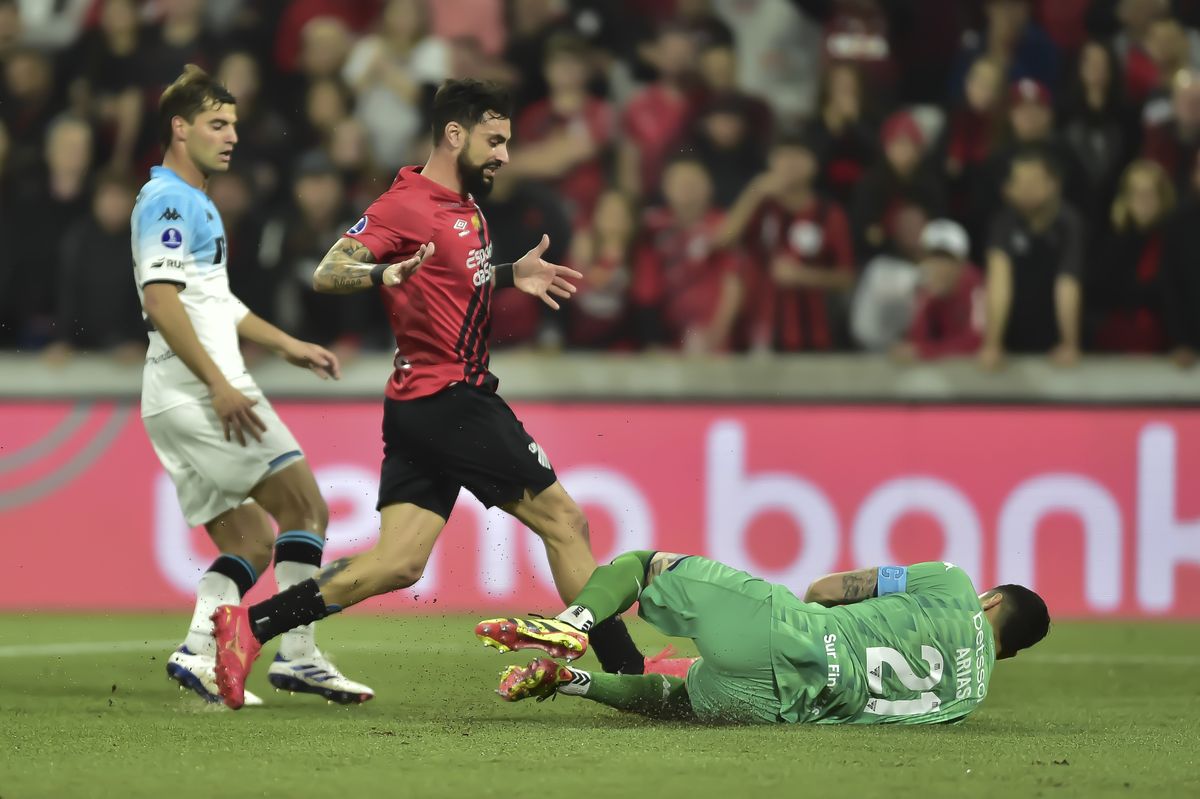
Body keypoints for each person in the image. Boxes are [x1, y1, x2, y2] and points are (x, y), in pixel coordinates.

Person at [212, 79, 679, 710]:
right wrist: (382, 271)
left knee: (397, 563)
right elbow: (329, 270)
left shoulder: (467, 206)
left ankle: (248, 628)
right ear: (454, 134)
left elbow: (458, 278)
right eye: (495, 140)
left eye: (508, 142)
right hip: (452, 400)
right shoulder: (406, 203)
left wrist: (514, 273)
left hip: (417, 409)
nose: (505, 155)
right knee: (565, 522)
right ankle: (631, 673)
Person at [132, 65, 371, 706]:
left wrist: (285, 344)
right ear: (179, 129)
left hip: (171, 397)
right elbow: (161, 299)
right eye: (217, 123)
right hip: (203, 390)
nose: (232, 135)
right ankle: (299, 656)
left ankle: (197, 650)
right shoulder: (170, 202)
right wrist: (219, 383)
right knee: (307, 510)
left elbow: (214, 301)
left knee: (250, 541)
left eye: (234, 123)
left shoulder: (193, 199)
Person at [476, 551, 1049, 724]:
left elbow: (828, 588)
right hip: (787, 706)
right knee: (684, 703)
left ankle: (569, 627)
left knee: (648, 565)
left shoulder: (954, 584)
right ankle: (571, 682)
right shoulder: (968, 701)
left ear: (991, 601)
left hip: (792, 636)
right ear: (1011, 651)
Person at [979, 148, 1084, 369]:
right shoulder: (1004, 222)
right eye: (1019, 182)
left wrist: (1069, 343)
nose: (1025, 189)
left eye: (1034, 182)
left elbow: (1067, 283)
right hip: (1014, 333)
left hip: (1054, 333)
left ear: (1053, 184)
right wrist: (992, 344)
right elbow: (999, 283)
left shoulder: (1069, 223)